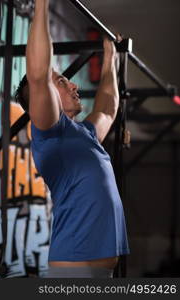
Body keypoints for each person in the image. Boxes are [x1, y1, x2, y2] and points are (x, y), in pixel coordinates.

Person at [15, 0, 129, 278]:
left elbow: (108, 108)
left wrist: (109, 57)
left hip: (100, 271)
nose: (74, 84)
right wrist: (42, 5)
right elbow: (39, 76)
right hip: (74, 270)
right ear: (44, 98)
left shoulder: (85, 134)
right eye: (63, 81)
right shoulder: (50, 133)